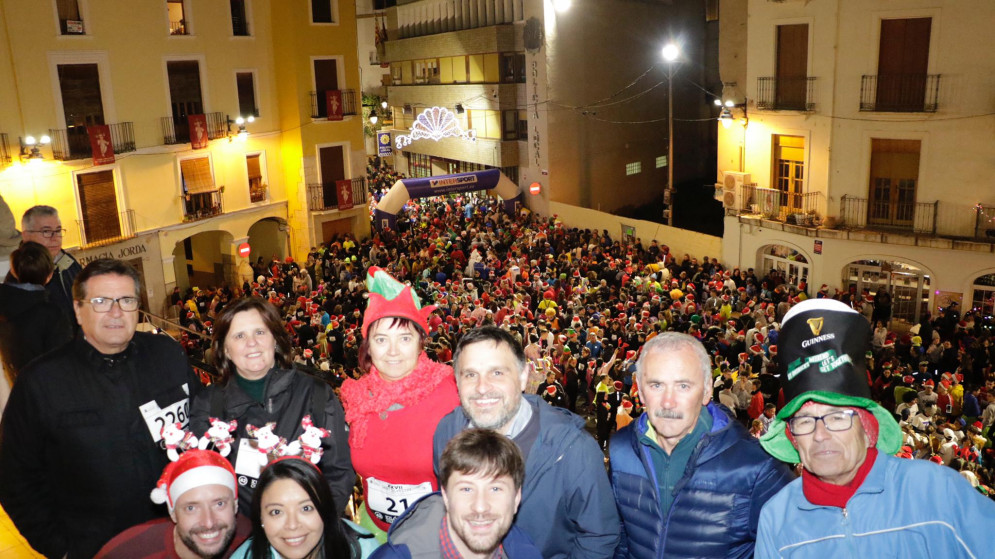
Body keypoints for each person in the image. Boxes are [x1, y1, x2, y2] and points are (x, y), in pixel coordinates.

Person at [756, 299, 995, 558]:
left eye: (837, 417)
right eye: (804, 421)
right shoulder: (776, 521)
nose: (820, 435)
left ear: (867, 427)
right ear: (792, 439)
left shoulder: (938, 492)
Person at [0, 258, 202, 558]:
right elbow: (14, 475)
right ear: (78, 311)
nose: (116, 312)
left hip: (181, 537)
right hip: (99, 548)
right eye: (101, 301)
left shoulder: (167, 354)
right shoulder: (41, 382)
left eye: (126, 300)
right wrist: (61, 548)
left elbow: (201, 423)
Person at [433, 326, 620, 559]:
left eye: (497, 373)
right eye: (470, 374)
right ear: (457, 382)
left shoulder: (574, 450)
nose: (482, 387)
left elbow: (599, 535)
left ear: (523, 377)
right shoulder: (446, 432)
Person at [609, 332, 793, 558]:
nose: (668, 402)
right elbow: (620, 539)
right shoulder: (621, 448)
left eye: (683, 386)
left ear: (707, 390)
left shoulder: (758, 467)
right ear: (640, 390)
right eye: (656, 385)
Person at [189, 297, 353, 515]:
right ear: (226, 349)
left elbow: (339, 473)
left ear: (275, 339)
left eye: (260, 332)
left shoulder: (316, 395)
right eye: (239, 335)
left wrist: (312, 526)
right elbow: (206, 485)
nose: (251, 342)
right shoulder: (208, 405)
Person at [339, 267, 459, 541]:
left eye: (404, 338)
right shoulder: (356, 399)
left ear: (421, 343)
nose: (393, 351)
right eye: (382, 340)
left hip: (438, 537)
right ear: (368, 345)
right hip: (375, 534)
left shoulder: (452, 392)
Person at [371, 428, 542, 559]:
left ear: (516, 497)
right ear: (445, 496)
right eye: (466, 489)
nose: (480, 507)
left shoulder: (525, 551)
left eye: (495, 489)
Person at [95, 449, 252, 558]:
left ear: (235, 505)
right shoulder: (129, 551)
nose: (209, 522)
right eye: (191, 508)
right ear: (173, 513)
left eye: (219, 504)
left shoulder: (251, 540)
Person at [230, 456, 378, 559]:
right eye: (276, 512)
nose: (292, 525)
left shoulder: (364, 549)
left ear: (325, 509)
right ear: (261, 517)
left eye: (306, 508)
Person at [0, 241, 72, 385]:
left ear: (13, 271)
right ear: (50, 275)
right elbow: (64, 366)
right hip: (47, 394)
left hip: (19, 392)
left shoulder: (5, 306)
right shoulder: (53, 315)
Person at [19, 205, 82, 323]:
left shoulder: (69, 263)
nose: (55, 238)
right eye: (46, 231)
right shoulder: (19, 274)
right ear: (26, 236)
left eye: (58, 230)